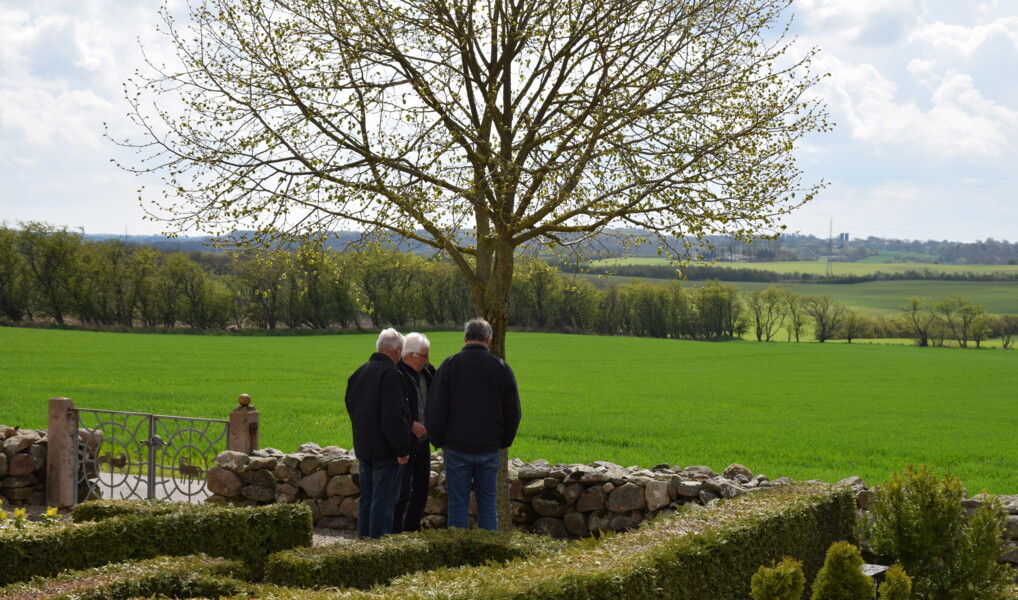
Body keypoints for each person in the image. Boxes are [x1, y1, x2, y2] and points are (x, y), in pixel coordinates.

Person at [426, 318, 522, 530]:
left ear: (465, 338)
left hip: (456, 447)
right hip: (489, 447)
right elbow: (513, 410)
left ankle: (459, 556)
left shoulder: (449, 365)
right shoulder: (501, 368)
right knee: (488, 506)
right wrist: (504, 441)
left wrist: (438, 439)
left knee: (458, 506)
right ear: (488, 339)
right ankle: (488, 556)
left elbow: (435, 408)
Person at [345, 328, 410, 538]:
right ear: (397, 350)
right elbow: (393, 416)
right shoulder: (392, 374)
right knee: (384, 502)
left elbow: (352, 407)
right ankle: (377, 546)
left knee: (367, 498)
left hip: (364, 447)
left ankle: (363, 542)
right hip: (386, 450)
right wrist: (401, 449)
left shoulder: (359, 372)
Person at [391, 332, 436, 533]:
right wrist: (410, 424)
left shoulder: (428, 371)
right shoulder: (396, 373)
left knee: (421, 489)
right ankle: (396, 532)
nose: (427, 360)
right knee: (401, 493)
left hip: (424, 442)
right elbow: (391, 407)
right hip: (404, 441)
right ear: (409, 355)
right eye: (424, 356)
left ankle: (412, 530)